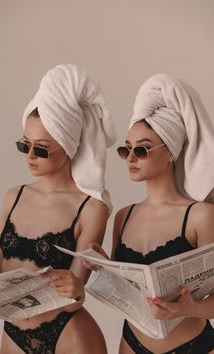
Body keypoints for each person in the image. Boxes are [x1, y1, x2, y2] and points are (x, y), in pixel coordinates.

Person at [0, 64, 116, 354]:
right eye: (24, 145)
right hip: (13, 332)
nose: (30, 156)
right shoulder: (13, 196)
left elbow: (76, 293)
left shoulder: (91, 206)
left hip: (69, 335)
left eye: (41, 148)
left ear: (67, 146)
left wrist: (76, 287)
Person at [91, 74, 214, 353]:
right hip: (130, 343)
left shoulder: (200, 216)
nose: (131, 157)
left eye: (143, 149)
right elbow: (126, 293)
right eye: (127, 149)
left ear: (171, 152)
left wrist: (190, 307)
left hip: (191, 345)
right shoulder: (124, 216)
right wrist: (103, 268)